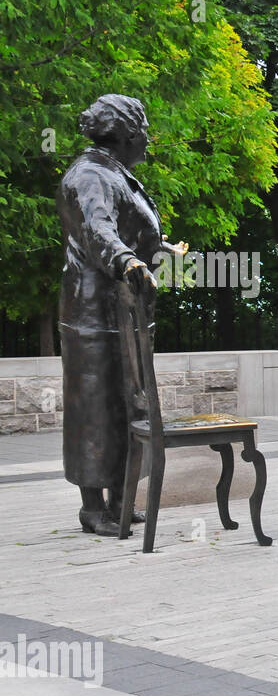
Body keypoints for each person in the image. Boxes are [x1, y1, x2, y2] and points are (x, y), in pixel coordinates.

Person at [57, 94, 184, 536]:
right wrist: (127, 261)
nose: (148, 142)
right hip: (93, 311)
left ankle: (120, 499)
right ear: (128, 135)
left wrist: (156, 249)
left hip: (123, 311)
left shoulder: (116, 174)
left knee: (127, 403)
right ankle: (93, 509)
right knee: (95, 406)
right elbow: (98, 230)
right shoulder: (90, 175)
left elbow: (128, 229)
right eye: (144, 133)